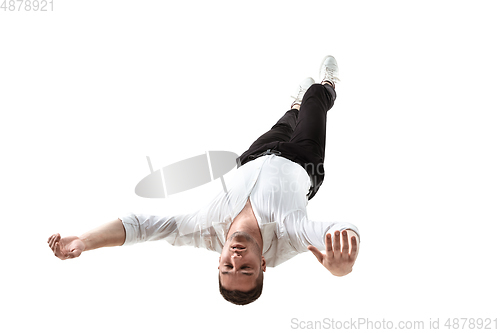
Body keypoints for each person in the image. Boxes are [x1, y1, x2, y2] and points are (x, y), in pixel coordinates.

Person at [47, 55, 361, 305]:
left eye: (228, 267)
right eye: (246, 268)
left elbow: (140, 226)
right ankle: (327, 85)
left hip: (252, 156)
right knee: (315, 102)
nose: (236, 260)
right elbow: (339, 233)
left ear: (220, 262)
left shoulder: (203, 231)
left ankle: (294, 106)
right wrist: (342, 267)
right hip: (304, 158)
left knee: (287, 118)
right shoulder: (289, 236)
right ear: (263, 265)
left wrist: (85, 242)